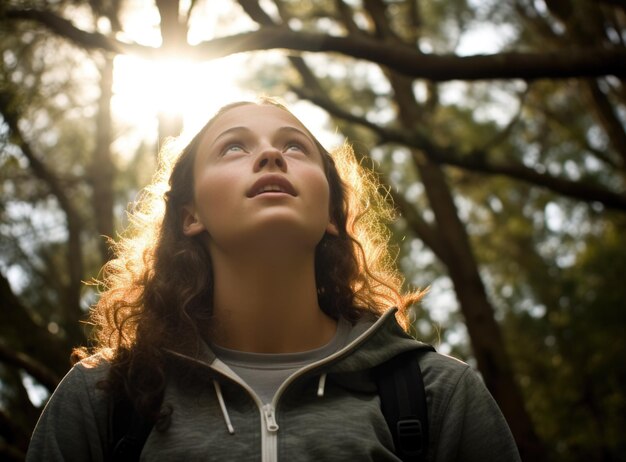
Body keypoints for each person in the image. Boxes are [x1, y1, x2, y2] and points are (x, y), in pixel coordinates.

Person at [26, 98, 521, 461]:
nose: (271, 156)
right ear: (189, 215)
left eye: (295, 147)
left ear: (331, 213)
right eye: (234, 146)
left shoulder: (437, 394)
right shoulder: (104, 399)